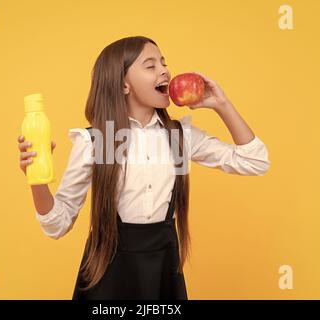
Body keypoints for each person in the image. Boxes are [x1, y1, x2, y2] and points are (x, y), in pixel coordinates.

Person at [17, 36, 271, 300]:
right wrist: (36, 179)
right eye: (150, 66)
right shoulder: (101, 141)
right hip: (109, 276)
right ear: (124, 85)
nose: (164, 70)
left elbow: (254, 161)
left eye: (163, 62)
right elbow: (57, 224)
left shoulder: (178, 137)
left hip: (163, 273)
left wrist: (222, 105)